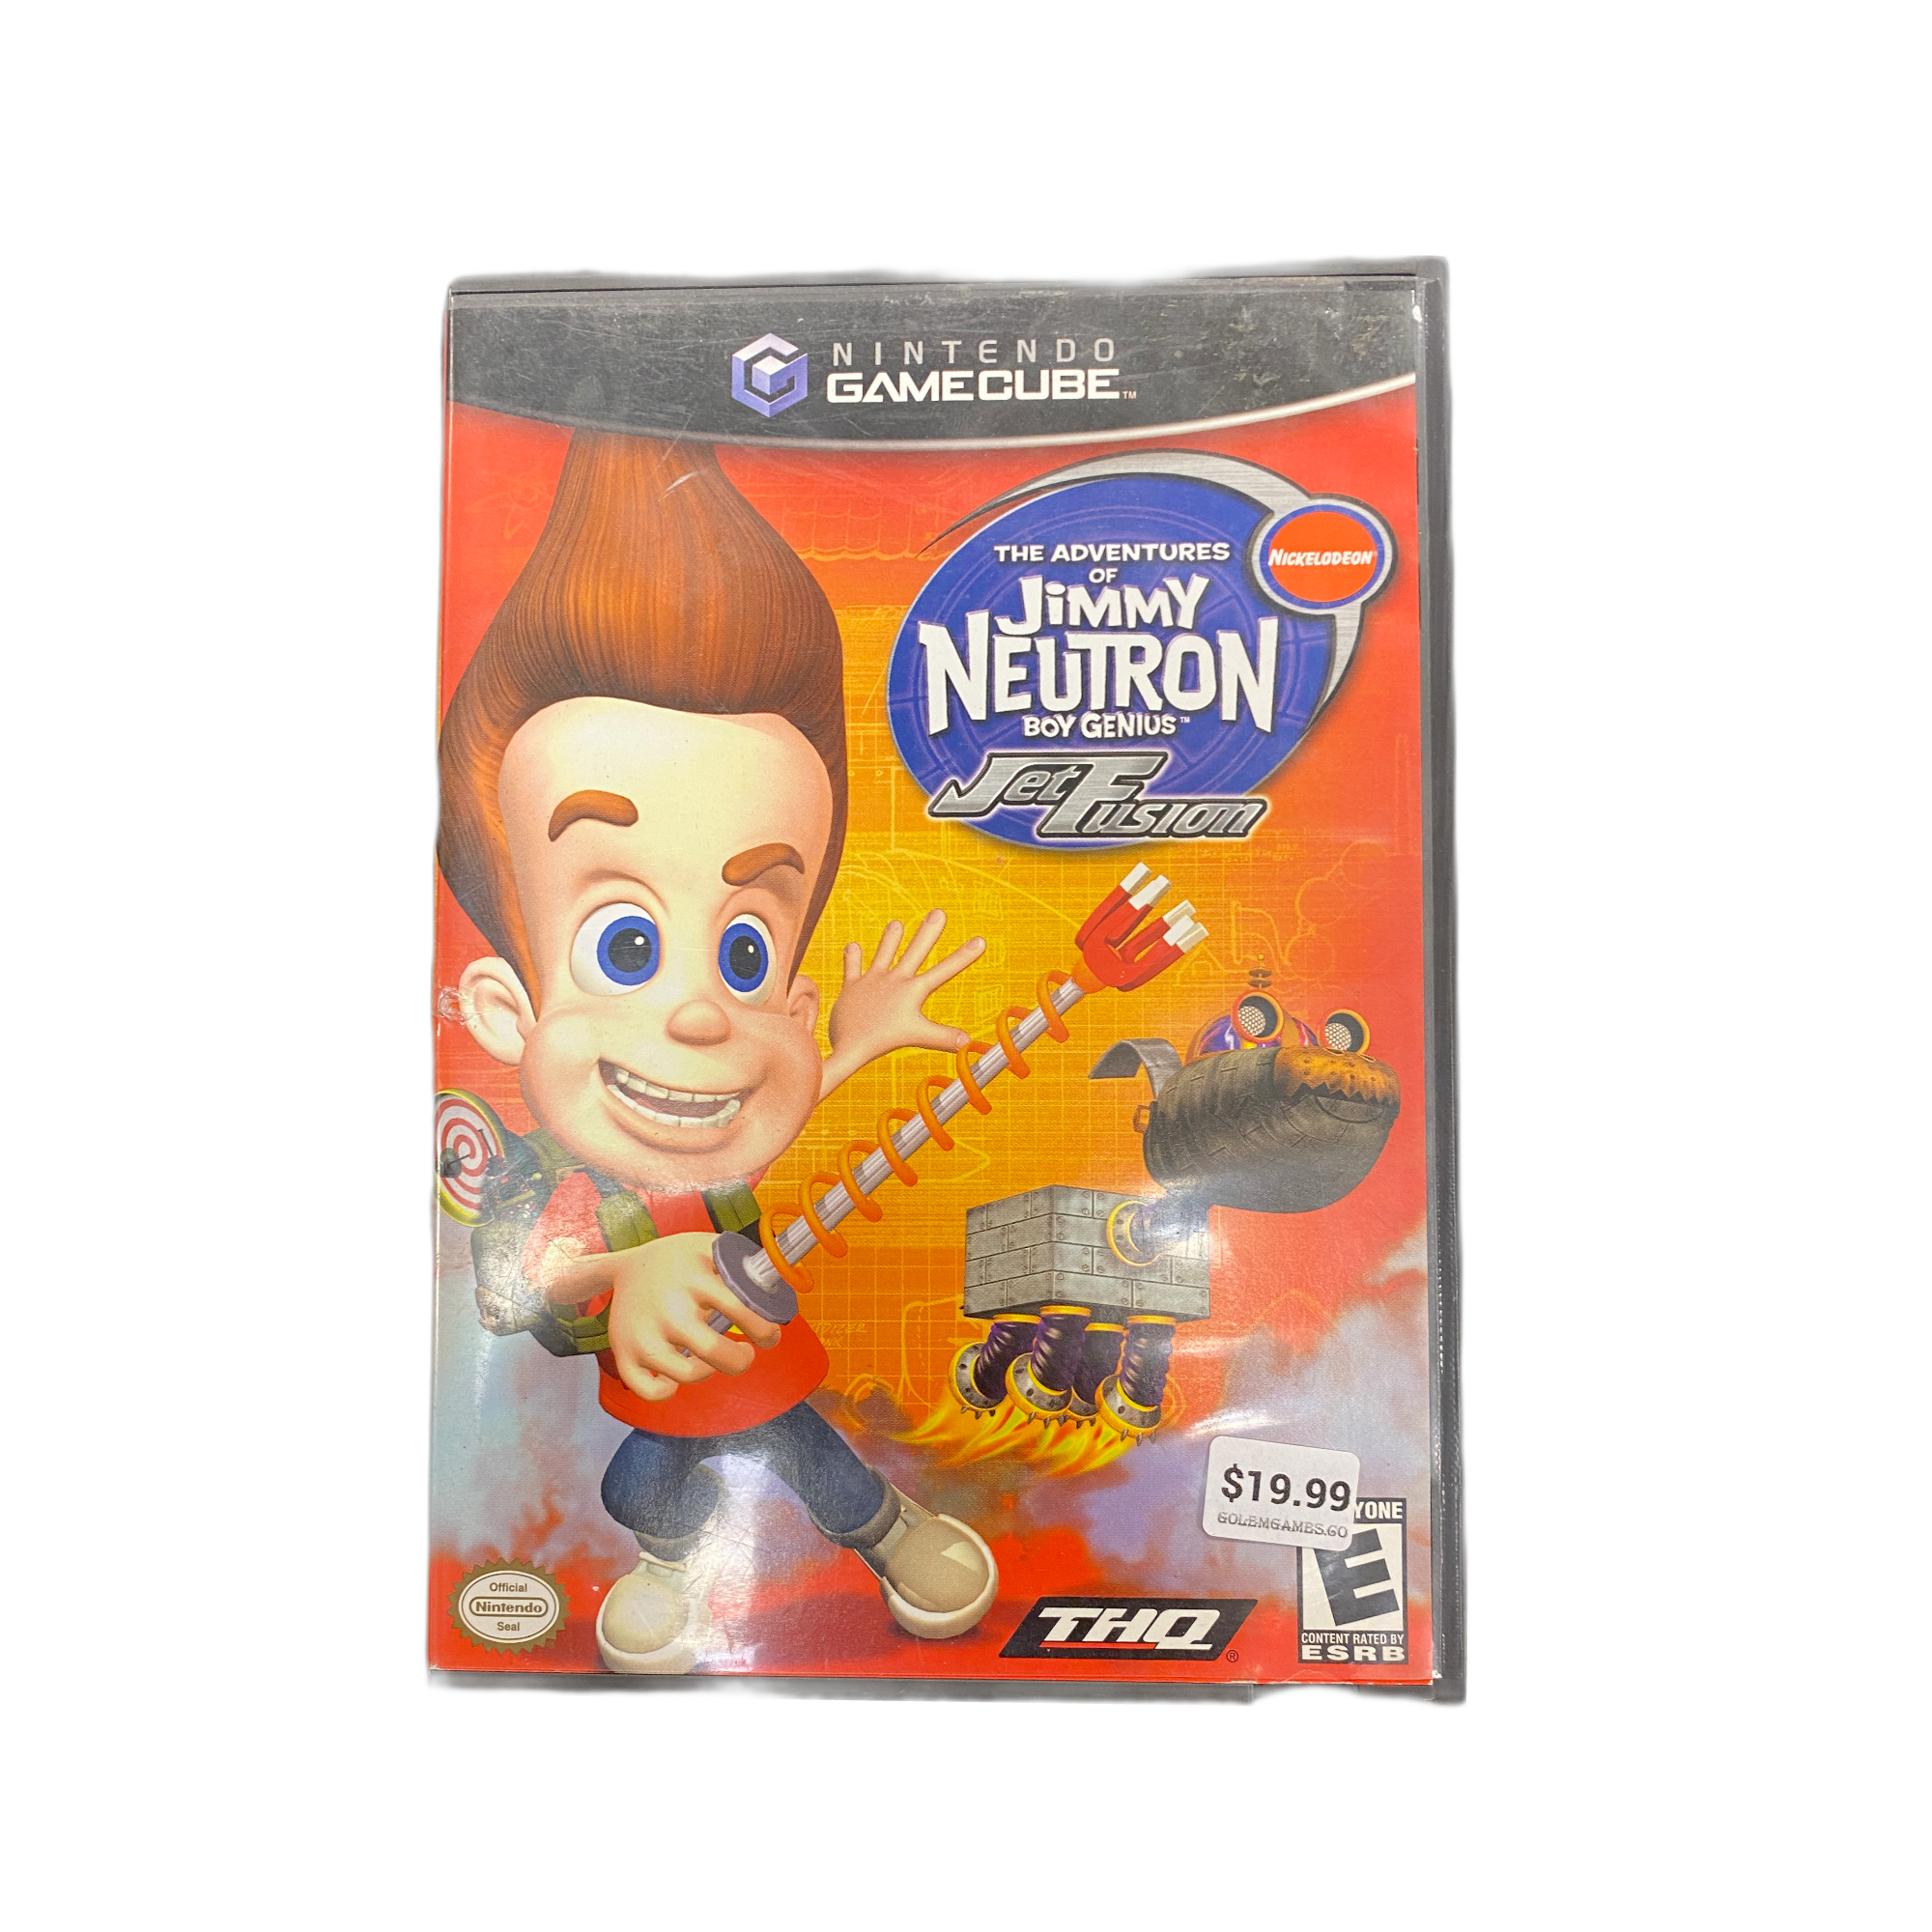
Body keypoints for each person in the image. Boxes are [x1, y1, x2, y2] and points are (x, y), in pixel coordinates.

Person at [438, 431, 997, 1672]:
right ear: (504, 1009)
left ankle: (885, 1530)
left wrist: (853, 1048)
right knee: (645, 1481)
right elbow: (517, 1284)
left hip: (759, 1355)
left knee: (805, 1450)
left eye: (744, 950)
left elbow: (769, 1117)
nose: (697, 1015)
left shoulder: (733, 1113)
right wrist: (622, 1274)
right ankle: (670, 1561)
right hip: (662, 1389)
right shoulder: (554, 1180)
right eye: (625, 942)